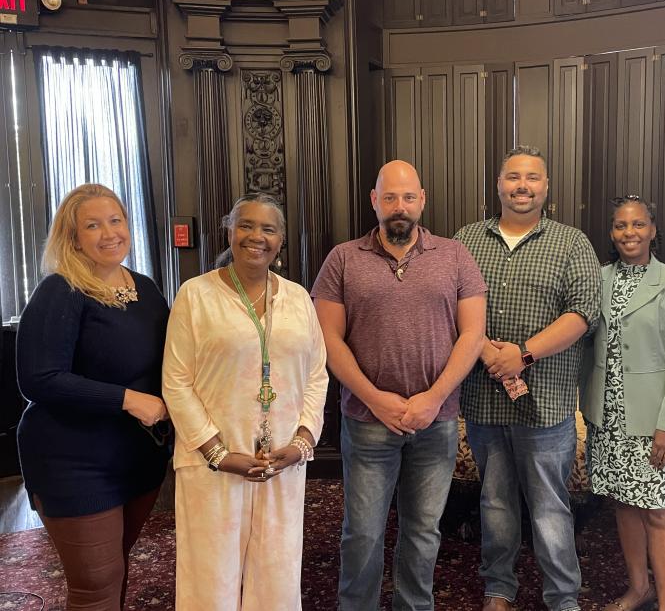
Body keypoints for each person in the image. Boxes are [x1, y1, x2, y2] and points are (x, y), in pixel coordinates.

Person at [311, 160, 487, 610]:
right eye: (389, 197)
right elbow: (327, 340)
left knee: (423, 532)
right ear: (374, 201)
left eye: (408, 197)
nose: (399, 207)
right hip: (368, 422)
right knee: (363, 533)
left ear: (422, 200)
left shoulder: (454, 255)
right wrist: (375, 399)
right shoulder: (343, 259)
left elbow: (472, 335)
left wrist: (433, 398)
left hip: (437, 421)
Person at [162, 193, 328, 611]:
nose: (257, 237)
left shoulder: (298, 298)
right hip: (213, 465)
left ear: (282, 239)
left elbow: (316, 375)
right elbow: (176, 383)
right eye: (246, 226)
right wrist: (217, 453)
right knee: (210, 577)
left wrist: (302, 443)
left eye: (268, 229)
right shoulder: (195, 296)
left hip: (281, 464)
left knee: (277, 572)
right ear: (230, 232)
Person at [454, 146, 601, 611]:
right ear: (498, 184)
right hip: (483, 400)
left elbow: (583, 312)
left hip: (548, 402)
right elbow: (448, 307)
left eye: (532, 178)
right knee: (495, 502)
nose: (522, 185)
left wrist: (523, 354)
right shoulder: (465, 241)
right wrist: (483, 348)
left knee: (550, 508)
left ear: (546, 187)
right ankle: (499, 588)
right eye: (513, 177)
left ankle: (562, 597)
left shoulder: (572, 242)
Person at [16, 183, 171, 610]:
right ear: (73, 237)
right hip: (75, 462)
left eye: (115, 220)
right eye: (92, 225)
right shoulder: (60, 291)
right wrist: (128, 399)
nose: (109, 233)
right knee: (95, 584)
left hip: (138, 460)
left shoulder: (145, 288)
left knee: (114, 570)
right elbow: (38, 378)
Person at [580, 196, 665, 611]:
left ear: (652, 230)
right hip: (607, 419)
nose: (629, 233)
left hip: (655, 423)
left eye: (637, 225)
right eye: (620, 226)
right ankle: (638, 588)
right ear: (612, 233)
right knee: (624, 506)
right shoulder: (596, 278)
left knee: (661, 514)